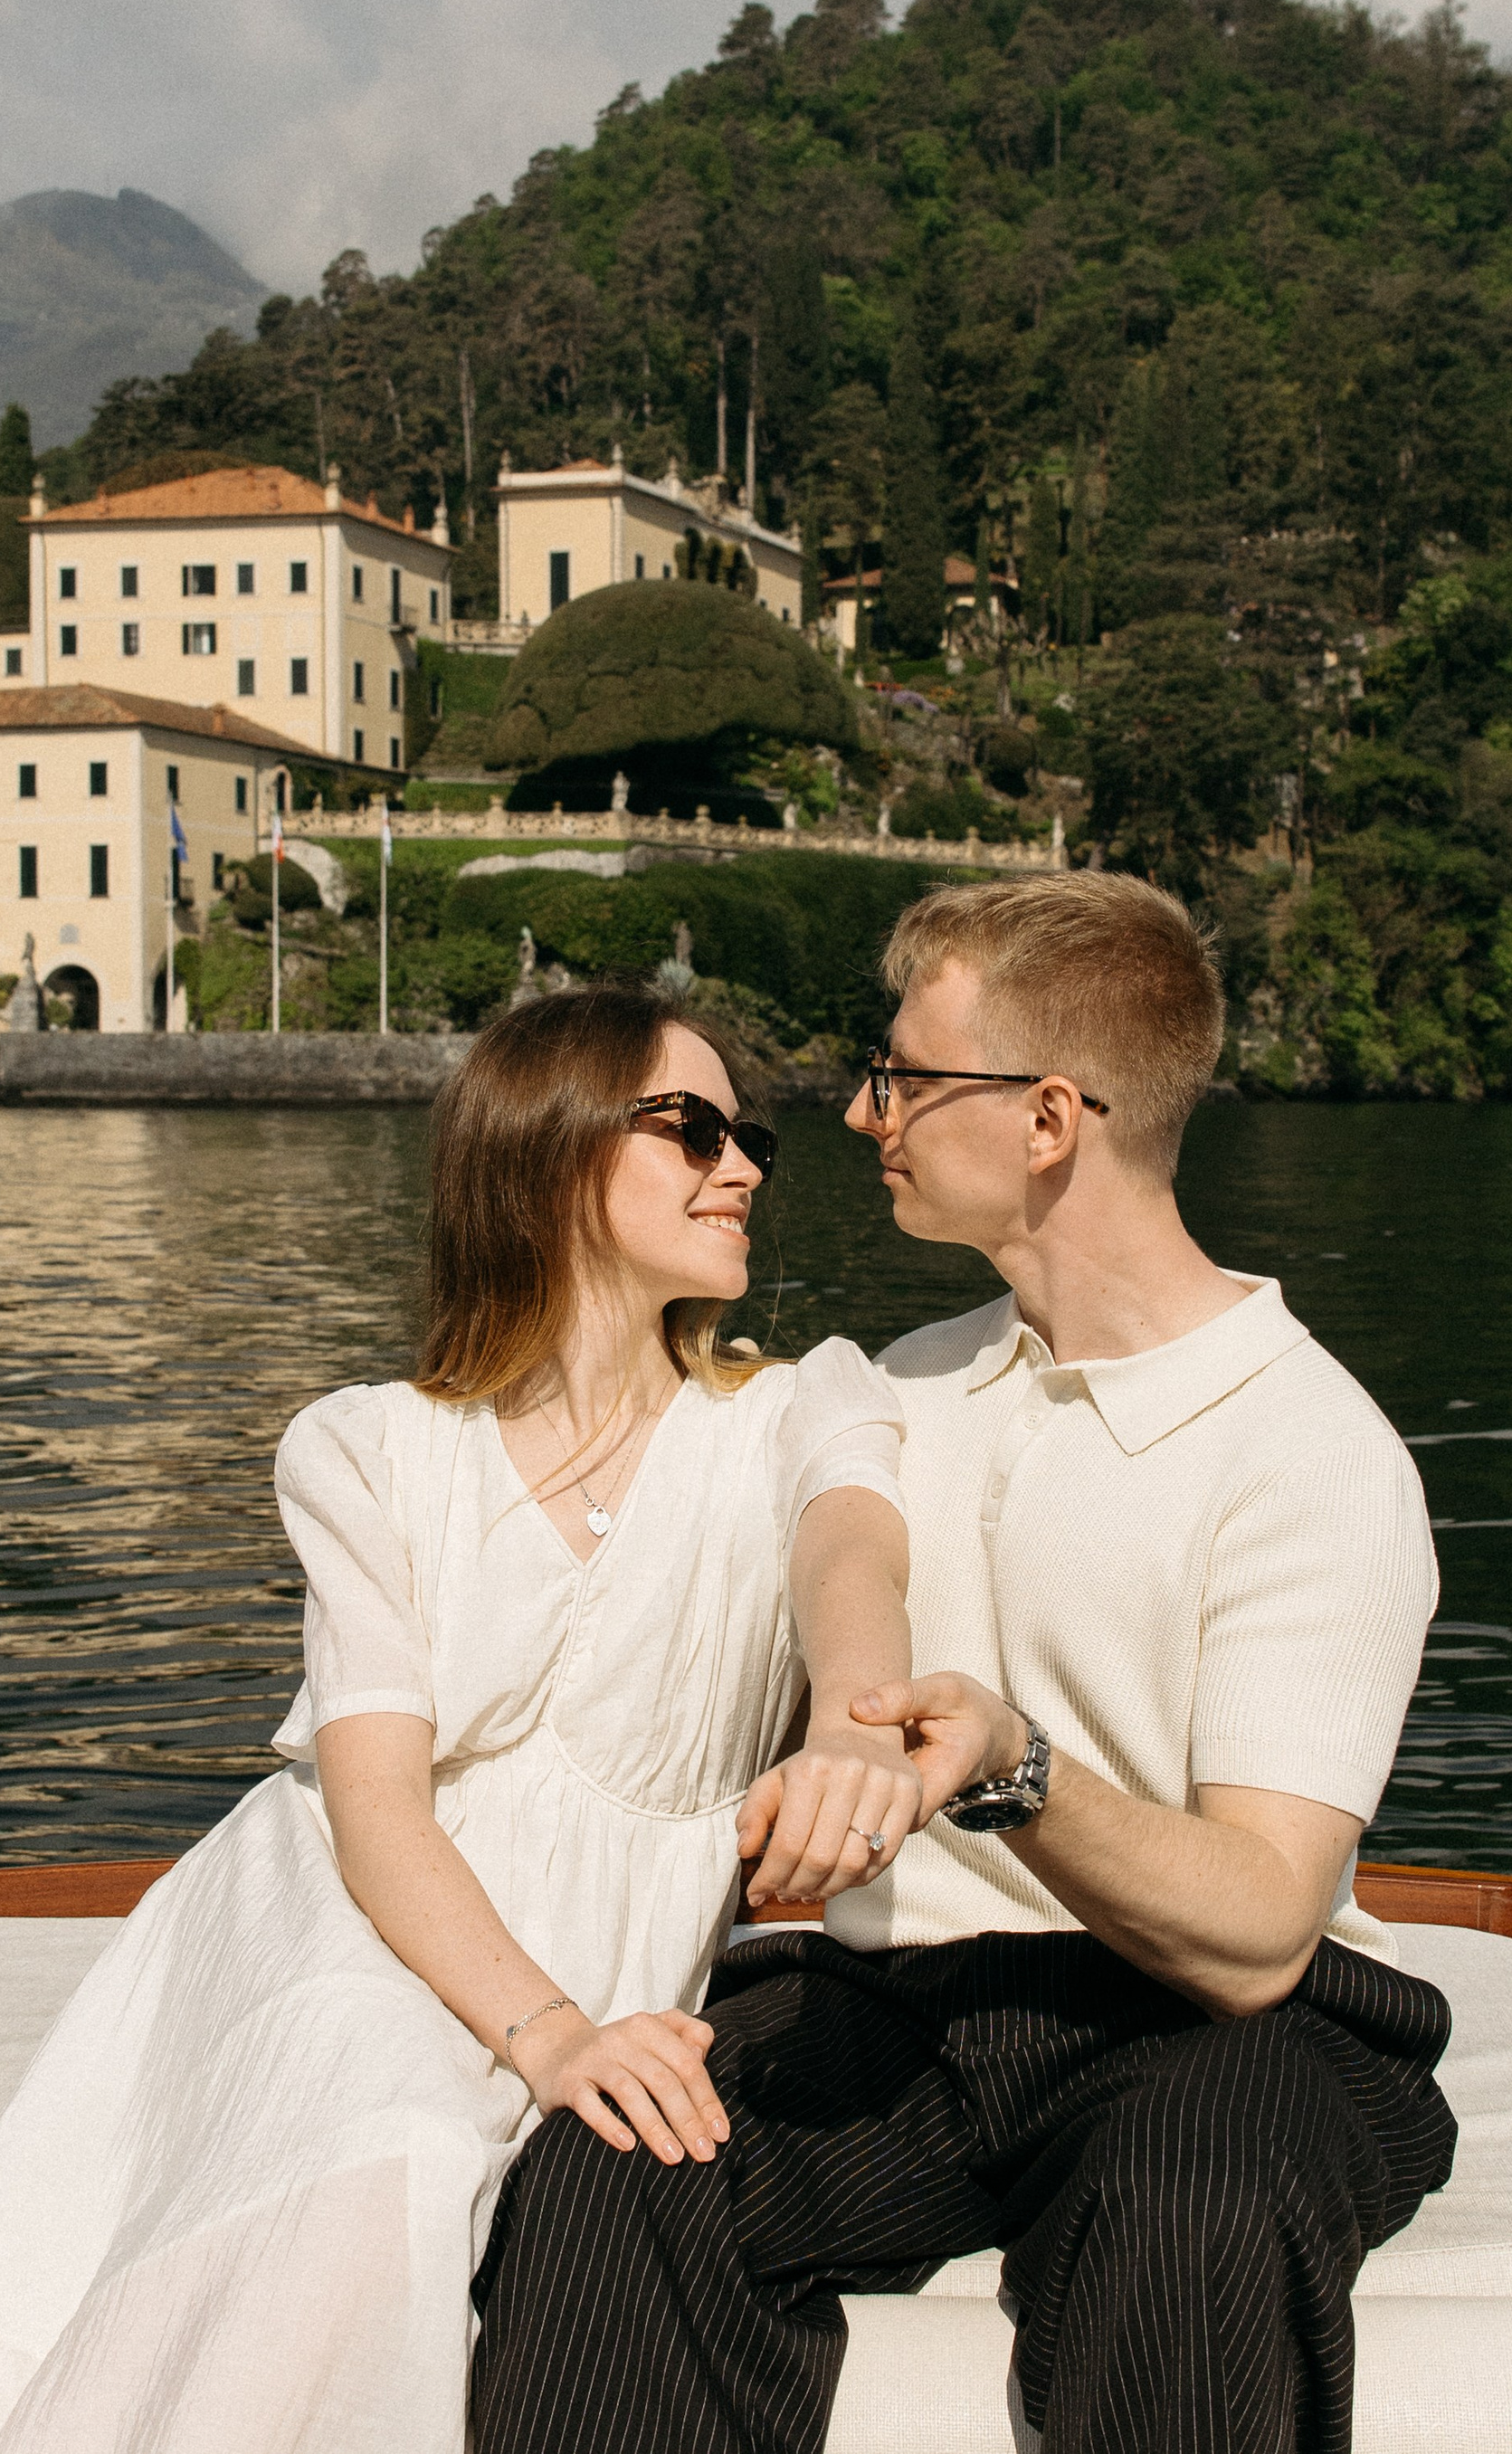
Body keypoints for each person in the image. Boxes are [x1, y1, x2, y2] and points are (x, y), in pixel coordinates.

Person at [0, 987, 924, 2454]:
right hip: (346, 1914)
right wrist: (551, 2036)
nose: (745, 1165)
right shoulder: (371, 1448)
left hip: (613, 1944)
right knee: (392, 2150)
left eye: (749, 1135)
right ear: (550, 1148)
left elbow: (853, 1558)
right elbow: (375, 1809)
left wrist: (855, 1723)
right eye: (693, 1130)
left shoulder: (799, 1407)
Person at [471, 875, 1459, 2454]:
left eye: (905, 1077)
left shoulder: (1311, 1450)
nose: (864, 1112)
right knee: (615, 2166)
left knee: (1193, 2194)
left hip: (1223, 2030)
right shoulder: (890, 1393)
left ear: (1049, 1118)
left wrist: (1013, 1770)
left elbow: (1264, 1929)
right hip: (903, 2001)